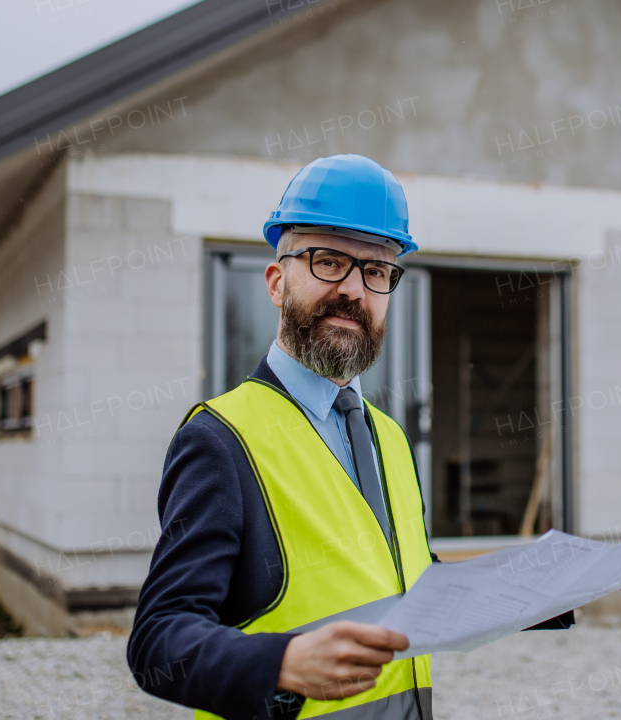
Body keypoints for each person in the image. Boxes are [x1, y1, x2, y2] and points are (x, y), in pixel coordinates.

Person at [128, 154, 570, 720]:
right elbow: (158, 639)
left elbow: (404, 573)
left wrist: (539, 590)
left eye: (377, 271)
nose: (355, 290)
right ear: (275, 281)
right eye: (329, 261)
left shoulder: (389, 437)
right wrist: (280, 662)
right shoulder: (221, 440)